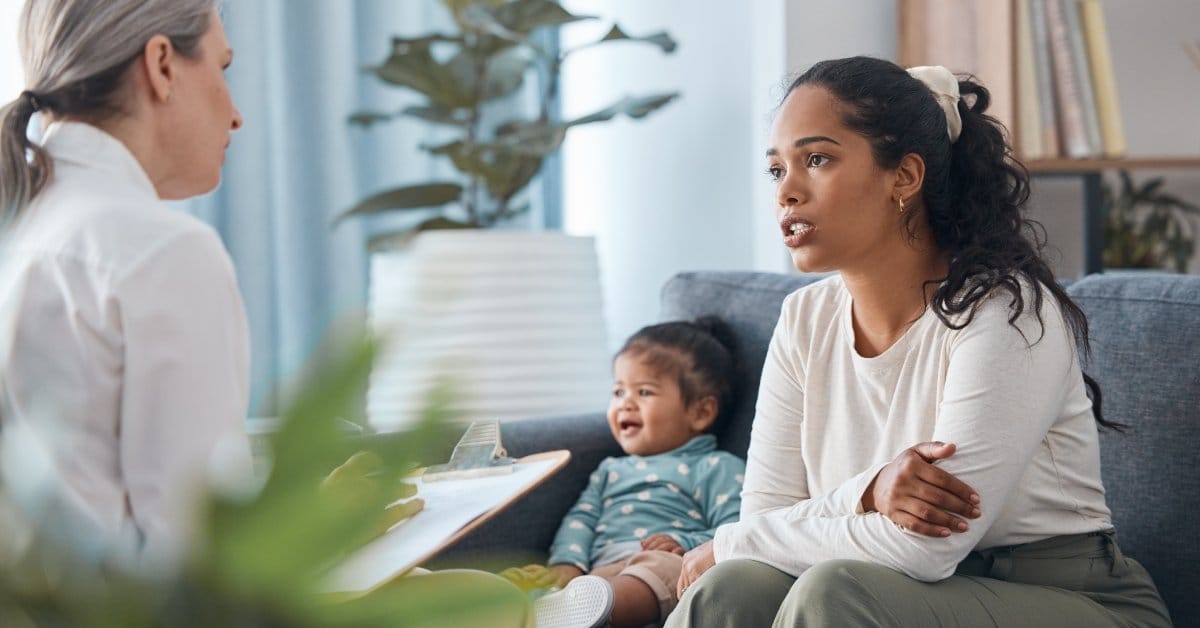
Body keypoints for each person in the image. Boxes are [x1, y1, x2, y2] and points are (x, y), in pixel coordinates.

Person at [665, 57, 1171, 627]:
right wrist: (868, 493)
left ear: (904, 176)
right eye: (777, 170)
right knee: (730, 587)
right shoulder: (804, 317)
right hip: (890, 587)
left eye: (817, 159)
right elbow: (762, 524)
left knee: (832, 590)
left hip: (1072, 603)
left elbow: (927, 548)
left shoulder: (1004, 313)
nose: (788, 192)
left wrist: (737, 541)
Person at [505, 318, 747, 628]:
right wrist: (567, 566)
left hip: (666, 569)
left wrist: (684, 541)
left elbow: (738, 530)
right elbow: (582, 520)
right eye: (618, 392)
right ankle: (539, 608)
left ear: (700, 412)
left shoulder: (716, 466)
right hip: (600, 576)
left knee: (660, 568)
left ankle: (570, 615)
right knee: (563, 585)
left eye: (644, 392)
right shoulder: (610, 469)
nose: (625, 404)